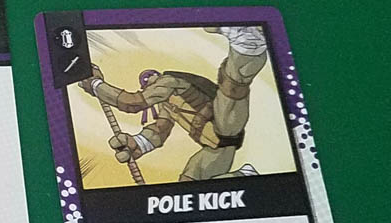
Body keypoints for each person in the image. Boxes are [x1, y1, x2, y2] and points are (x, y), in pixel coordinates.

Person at [79, 26, 268, 181]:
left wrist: (96, 85)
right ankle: (245, 178)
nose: (148, 83)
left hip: (223, 122)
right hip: (217, 148)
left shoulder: (169, 81)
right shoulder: (167, 106)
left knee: (231, 90)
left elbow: (133, 103)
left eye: (149, 79)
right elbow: (160, 131)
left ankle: (247, 47)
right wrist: (138, 143)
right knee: (189, 188)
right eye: (145, 82)